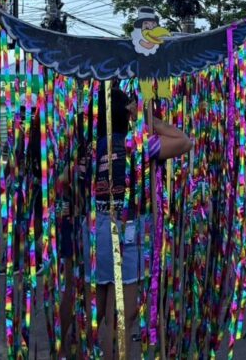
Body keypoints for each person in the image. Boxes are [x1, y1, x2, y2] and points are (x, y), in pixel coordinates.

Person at [85, 87, 192, 357]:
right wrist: (148, 119)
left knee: (102, 309)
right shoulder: (137, 143)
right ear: (126, 113)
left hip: (95, 232)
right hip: (125, 234)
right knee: (123, 314)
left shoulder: (92, 148)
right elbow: (184, 141)